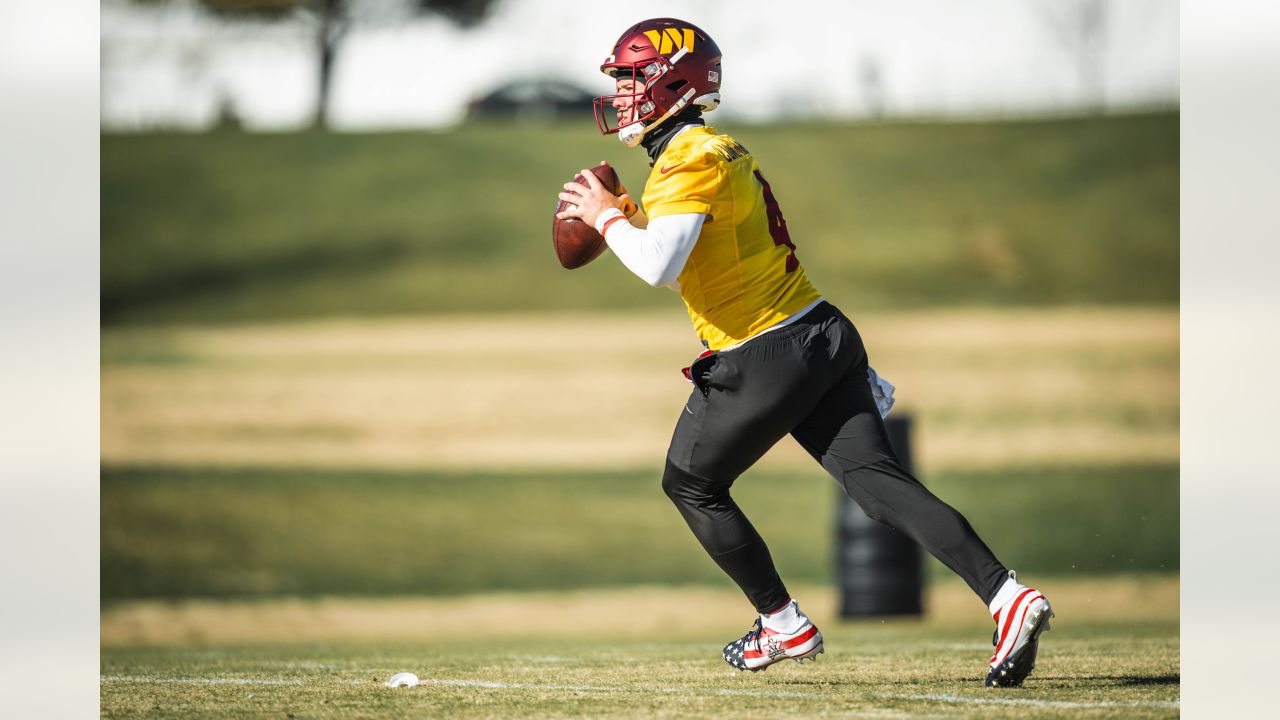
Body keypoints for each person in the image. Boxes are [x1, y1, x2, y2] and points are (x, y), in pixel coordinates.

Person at [555, 18, 1052, 688]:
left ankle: (782, 623)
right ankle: (1007, 596)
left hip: (766, 351)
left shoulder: (686, 157)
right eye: (615, 77)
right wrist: (631, 217)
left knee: (691, 482)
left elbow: (657, 267)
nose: (617, 90)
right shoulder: (713, 149)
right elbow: (693, 258)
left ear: (671, 79)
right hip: (823, 332)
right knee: (879, 486)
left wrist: (604, 216)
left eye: (629, 75)